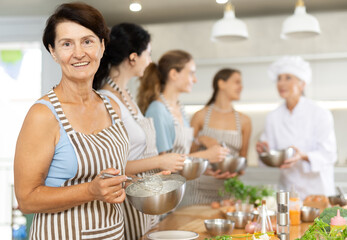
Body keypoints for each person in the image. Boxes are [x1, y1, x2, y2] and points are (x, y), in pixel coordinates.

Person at [14, 3, 129, 239]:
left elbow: (111, 173)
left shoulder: (111, 106)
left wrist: (146, 183)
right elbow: (26, 200)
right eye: (67, 44)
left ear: (102, 46)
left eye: (87, 41)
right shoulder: (43, 115)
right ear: (53, 52)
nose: (79, 53)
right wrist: (90, 190)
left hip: (113, 232)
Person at [93, 23, 184, 240]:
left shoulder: (126, 96)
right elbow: (109, 167)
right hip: (129, 199)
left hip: (144, 197)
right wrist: (159, 162)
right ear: (133, 57)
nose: (150, 61)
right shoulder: (106, 99)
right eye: (148, 54)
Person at [138, 50, 229, 207]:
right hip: (160, 196)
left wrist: (202, 168)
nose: (195, 79)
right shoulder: (158, 110)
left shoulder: (180, 109)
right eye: (191, 73)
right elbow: (164, 165)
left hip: (176, 191)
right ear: (174, 74)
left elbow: (181, 156)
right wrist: (206, 156)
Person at [256, 56, 337, 199]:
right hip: (288, 188)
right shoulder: (273, 117)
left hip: (318, 190)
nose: (281, 83)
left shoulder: (320, 113)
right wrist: (263, 150)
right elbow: (270, 154)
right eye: (279, 78)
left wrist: (304, 156)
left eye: (288, 78)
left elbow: (329, 155)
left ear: (302, 84)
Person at [190, 68, 252, 202]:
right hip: (200, 188)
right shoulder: (200, 116)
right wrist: (200, 139)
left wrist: (237, 171)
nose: (241, 87)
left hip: (229, 190)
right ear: (221, 84)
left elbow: (243, 159)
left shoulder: (244, 121)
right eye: (237, 82)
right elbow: (187, 155)